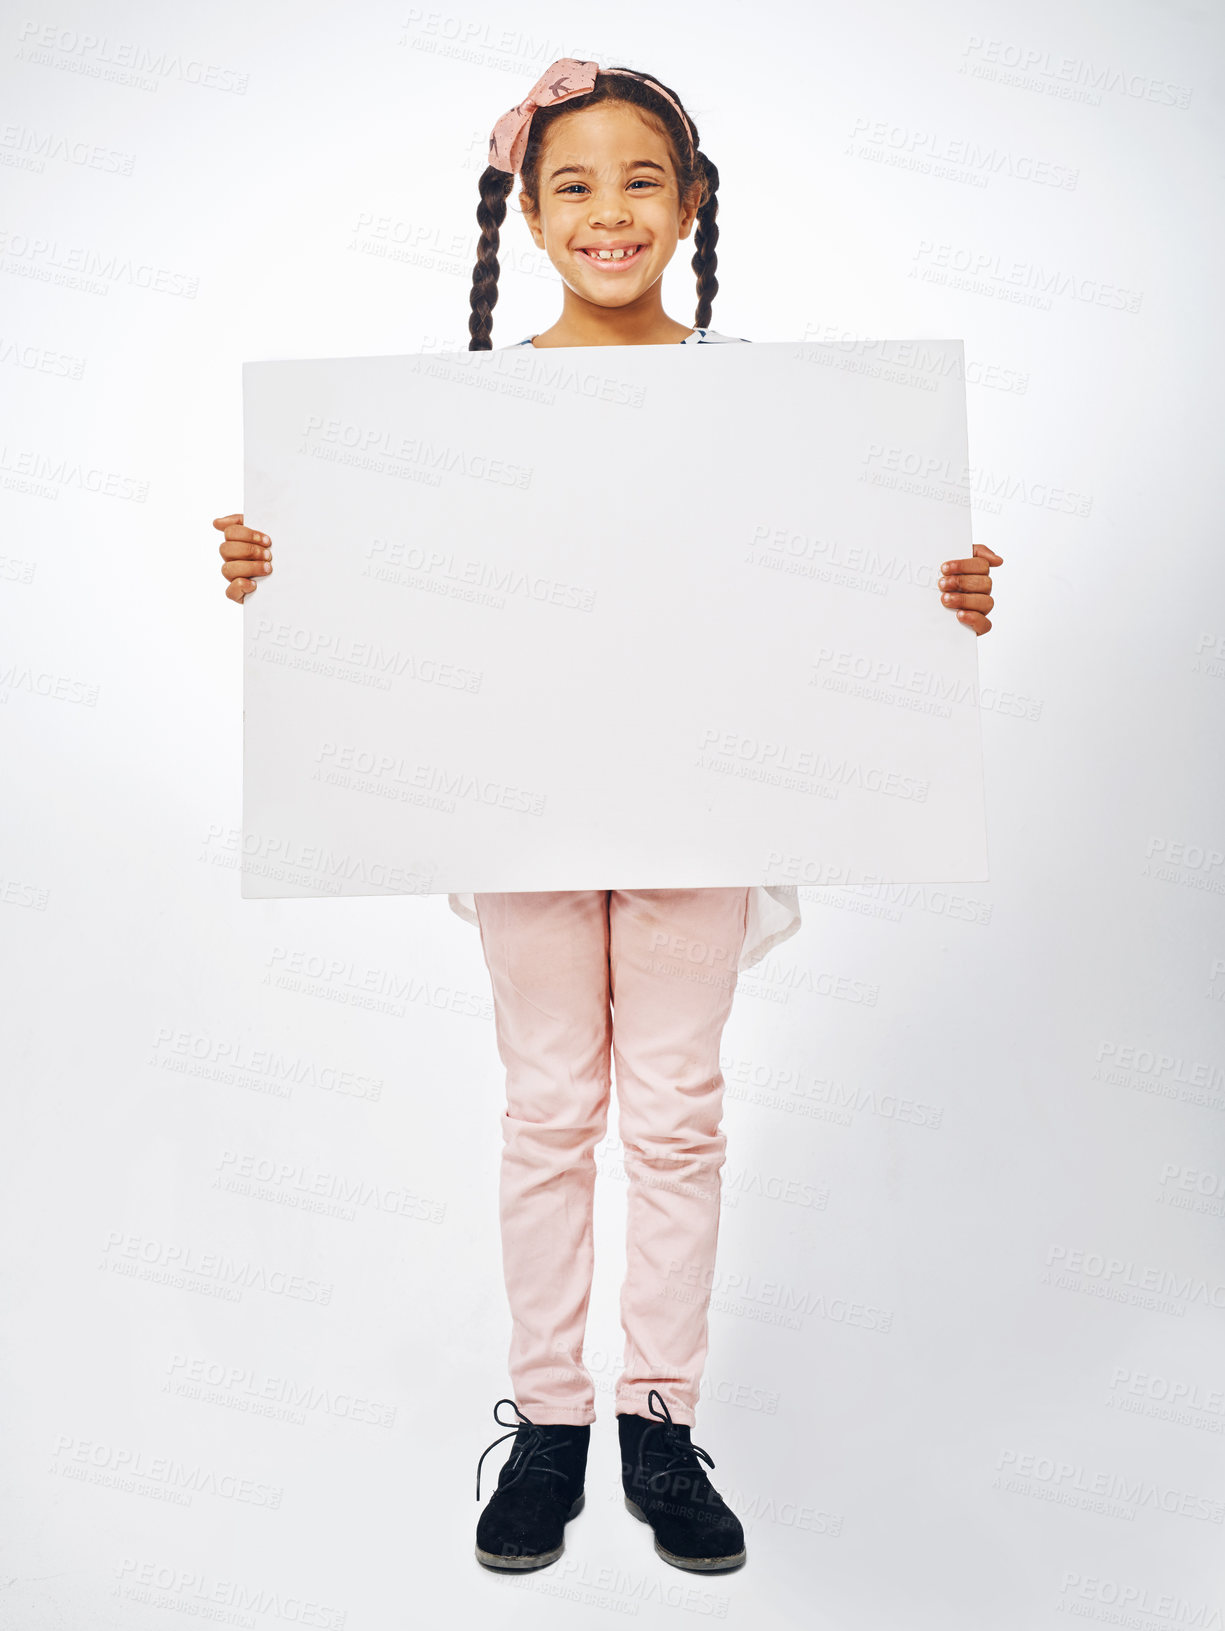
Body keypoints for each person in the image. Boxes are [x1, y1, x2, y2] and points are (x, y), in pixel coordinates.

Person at [213, 58, 1003, 1579]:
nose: (609, 211)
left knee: (678, 1107)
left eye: (641, 179)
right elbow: (395, 596)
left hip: (701, 801)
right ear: (525, 208)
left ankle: (656, 1415)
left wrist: (936, 595)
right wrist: (286, 566)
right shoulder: (460, 415)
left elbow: (835, 579)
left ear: (692, 202)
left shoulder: (770, 401)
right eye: (571, 183)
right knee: (548, 1107)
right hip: (523, 802)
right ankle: (553, 1424)